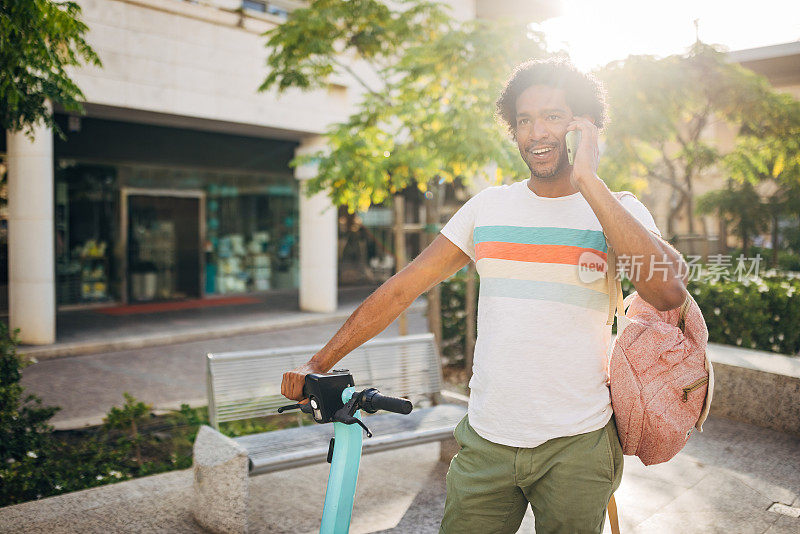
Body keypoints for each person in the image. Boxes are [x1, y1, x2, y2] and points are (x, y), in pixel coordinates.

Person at [281, 58, 689, 534]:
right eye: (523, 120)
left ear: (584, 125)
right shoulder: (488, 207)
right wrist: (320, 361)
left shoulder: (619, 209)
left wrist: (589, 182)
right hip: (487, 441)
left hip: (579, 444)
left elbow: (666, 292)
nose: (537, 132)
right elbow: (401, 290)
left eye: (553, 117)